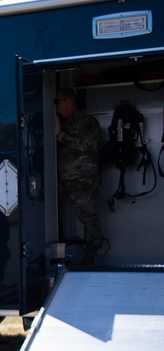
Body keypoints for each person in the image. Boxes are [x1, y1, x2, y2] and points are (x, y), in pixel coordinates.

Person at [54, 88, 103, 269]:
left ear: (69, 102)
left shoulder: (86, 122)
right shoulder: (62, 123)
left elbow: (85, 145)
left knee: (88, 218)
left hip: (82, 179)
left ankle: (90, 259)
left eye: (58, 101)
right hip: (63, 178)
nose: (56, 106)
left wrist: (60, 135)